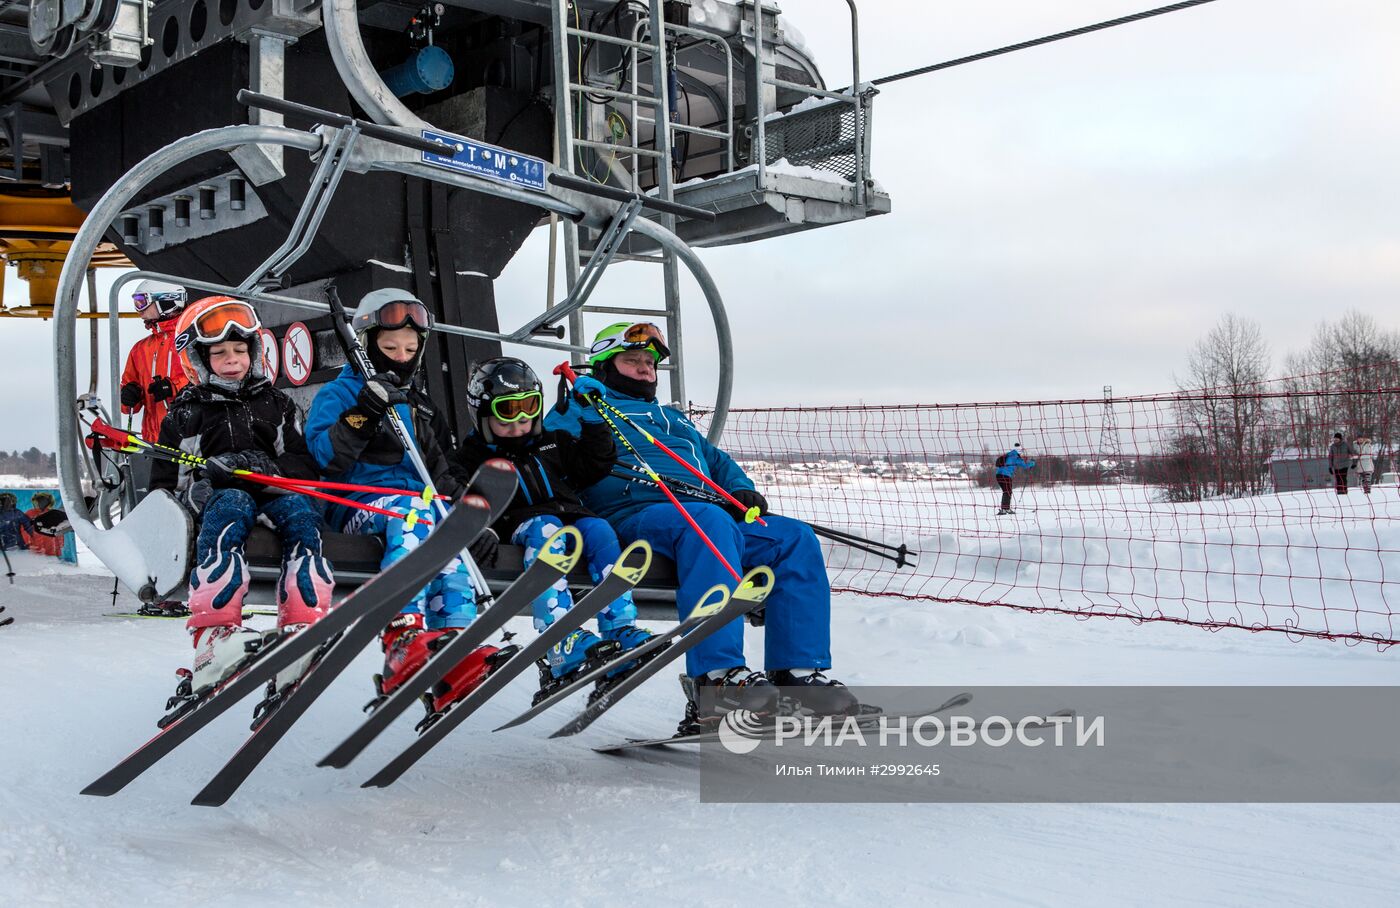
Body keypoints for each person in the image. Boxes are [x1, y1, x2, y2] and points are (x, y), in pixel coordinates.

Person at [547, 321, 857, 721]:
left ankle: (797, 673)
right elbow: (552, 454)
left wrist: (740, 489)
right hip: (635, 515)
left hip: (700, 511)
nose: (644, 369)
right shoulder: (581, 407)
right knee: (709, 522)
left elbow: (715, 461)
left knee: (793, 538)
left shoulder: (672, 419)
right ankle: (718, 678)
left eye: (649, 362)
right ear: (604, 366)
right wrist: (576, 416)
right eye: (632, 360)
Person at [305, 289, 493, 709]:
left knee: (445, 529)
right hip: (359, 504)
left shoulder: (415, 404)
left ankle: (452, 645)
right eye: (390, 347)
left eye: (410, 348)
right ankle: (401, 633)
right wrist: (364, 413)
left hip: (418, 503)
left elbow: (439, 473)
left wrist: (469, 517)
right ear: (369, 346)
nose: (401, 356)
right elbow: (326, 458)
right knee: (414, 514)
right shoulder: (339, 395)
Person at [150, 296, 335, 693]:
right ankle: (214, 637)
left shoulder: (277, 404)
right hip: (214, 495)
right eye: (219, 353)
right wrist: (205, 476)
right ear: (199, 360)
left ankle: (302, 624)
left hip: (269, 490)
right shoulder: (188, 412)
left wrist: (266, 467)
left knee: (302, 513)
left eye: (239, 350)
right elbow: (167, 482)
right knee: (233, 504)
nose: (232, 359)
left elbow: (302, 465)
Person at [450, 357, 654, 692]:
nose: (520, 420)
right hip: (522, 525)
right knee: (546, 528)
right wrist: (477, 526)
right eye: (507, 410)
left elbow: (595, 465)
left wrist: (592, 421)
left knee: (601, 530)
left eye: (529, 406)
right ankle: (559, 637)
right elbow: (459, 493)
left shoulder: (552, 442)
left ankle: (619, 626)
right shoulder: (472, 457)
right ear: (483, 413)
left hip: (574, 519)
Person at [120, 280, 190, 443]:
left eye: (142, 302)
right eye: (137, 303)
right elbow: (127, 406)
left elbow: (209, 379)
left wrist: (173, 386)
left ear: (165, 301)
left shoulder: (192, 339)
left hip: (191, 439)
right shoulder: (140, 349)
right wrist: (128, 397)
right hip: (155, 441)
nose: (139, 309)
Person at [22, 492, 70, 558]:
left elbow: (59, 529)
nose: (39, 503)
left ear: (48, 502)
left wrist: (59, 544)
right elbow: (23, 528)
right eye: (37, 501)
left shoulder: (53, 513)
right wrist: (27, 543)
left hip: (51, 546)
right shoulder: (30, 513)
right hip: (35, 546)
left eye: (42, 501)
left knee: (51, 565)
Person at [995, 443, 1036, 515]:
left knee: (1006, 491)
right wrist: (1032, 463)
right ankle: (1005, 509)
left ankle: (1005, 508)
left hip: (998, 475)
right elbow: (1025, 466)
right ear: (1020, 451)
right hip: (1006, 475)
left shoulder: (1008, 454)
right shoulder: (1016, 457)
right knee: (1008, 492)